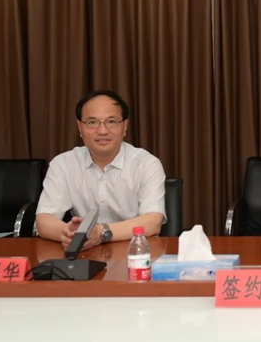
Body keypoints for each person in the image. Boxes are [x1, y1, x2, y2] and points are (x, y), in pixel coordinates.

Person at [36, 90, 166, 251]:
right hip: (85, 253)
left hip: (134, 253)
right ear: (80, 128)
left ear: (125, 126)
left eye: (111, 121)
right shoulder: (63, 164)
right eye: (92, 122)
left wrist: (101, 233)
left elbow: (153, 221)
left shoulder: (147, 164)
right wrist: (72, 234)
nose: (102, 131)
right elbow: (44, 220)